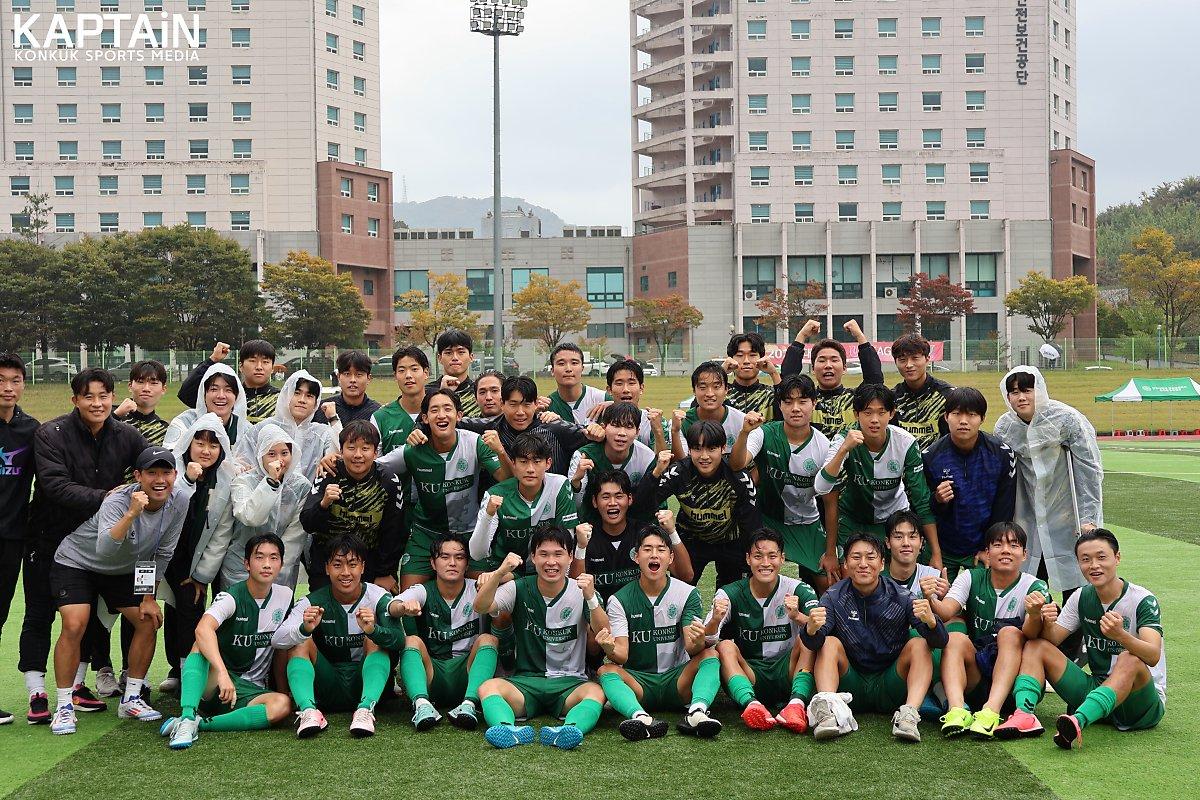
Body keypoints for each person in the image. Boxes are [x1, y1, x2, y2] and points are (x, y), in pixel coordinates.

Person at [19, 368, 149, 724]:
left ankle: (76, 686)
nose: (97, 403)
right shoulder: (51, 433)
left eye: (104, 395)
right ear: (74, 399)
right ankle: (36, 691)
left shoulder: (126, 434)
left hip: (96, 545)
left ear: (113, 396)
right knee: (40, 614)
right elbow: (55, 485)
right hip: (48, 538)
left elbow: (153, 464)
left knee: (87, 617)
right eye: (88, 396)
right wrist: (110, 498)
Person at [47, 446, 196, 734]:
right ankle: (64, 706)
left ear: (176, 475)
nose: (159, 479)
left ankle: (131, 698)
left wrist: (149, 597)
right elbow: (105, 547)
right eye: (151, 473)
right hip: (78, 562)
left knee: (147, 620)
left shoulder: (180, 500)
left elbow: (162, 552)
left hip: (125, 569)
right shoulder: (118, 501)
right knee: (75, 624)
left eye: (166, 472)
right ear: (138, 476)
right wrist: (131, 513)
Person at [996, 529, 1166, 749]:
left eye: (1101, 557)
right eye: (1085, 560)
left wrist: (1120, 635)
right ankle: (1024, 714)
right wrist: (1042, 618)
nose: (1094, 565)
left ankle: (1078, 721)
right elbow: (1053, 639)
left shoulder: (1143, 600)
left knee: (1129, 659)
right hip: (1097, 689)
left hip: (1139, 704)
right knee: (1037, 645)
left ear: (1117, 558)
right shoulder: (1081, 596)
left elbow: (1152, 655)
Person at [802, 533, 948, 742]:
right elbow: (814, 643)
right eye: (856, 557)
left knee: (919, 644)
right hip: (850, 683)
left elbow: (940, 642)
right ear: (845, 563)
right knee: (829, 643)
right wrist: (811, 629)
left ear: (882, 564)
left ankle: (908, 715)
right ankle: (829, 711)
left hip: (890, 682)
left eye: (870, 557)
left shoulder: (902, 596)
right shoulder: (833, 596)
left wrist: (931, 622)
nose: (863, 564)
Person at [472, 529, 609, 751]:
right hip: (527, 682)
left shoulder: (582, 590)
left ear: (570, 557)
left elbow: (604, 631)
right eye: (543, 554)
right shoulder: (519, 587)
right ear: (533, 557)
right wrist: (499, 573)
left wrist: (591, 598)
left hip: (570, 682)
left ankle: (569, 730)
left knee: (596, 692)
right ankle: (508, 729)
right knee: (488, 687)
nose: (551, 562)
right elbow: (481, 606)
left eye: (558, 554)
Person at [157, 533, 294, 749]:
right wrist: (222, 673)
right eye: (259, 557)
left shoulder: (285, 595)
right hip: (216, 685)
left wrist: (284, 688)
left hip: (250, 692)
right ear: (247, 564)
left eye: (273, 558)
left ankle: (200, 724)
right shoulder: (230, 597)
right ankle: (186, 715)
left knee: (282, 706)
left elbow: (281, 646)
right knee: (200, 644)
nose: (267, 564)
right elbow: (203, 628)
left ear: (281, 564)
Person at [596, 527, 723, 741]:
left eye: (661, 549)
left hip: (677, 680)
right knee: (606, 670)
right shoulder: (619, 599)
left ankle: (696, 713)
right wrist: (609, 648)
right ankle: (640, 717)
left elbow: (692, 648)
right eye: (647, 549)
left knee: (711, 655)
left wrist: (702, 637)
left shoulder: (687, 593)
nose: (654, 554)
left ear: (670, 557)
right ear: (636, 556)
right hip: (640, 683)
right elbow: (622, 656)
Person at [272, 535, 403, 739]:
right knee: (299, 641)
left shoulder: (378, 596)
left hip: (365, 682)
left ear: (363, 567)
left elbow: (400, 640)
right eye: (337, 565)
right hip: (328, 684)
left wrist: (373, 630)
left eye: (352, 565)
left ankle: (365, 710)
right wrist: (304, 628)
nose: (345, 573)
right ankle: (308, 710)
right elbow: (277, 640)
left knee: (374, 639)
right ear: (327, 568)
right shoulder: (312, 601)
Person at [376, 389, 508, 589]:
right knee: (408, 595)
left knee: (485, 589)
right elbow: (373, 468)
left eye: (448, 409)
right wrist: (336, 461)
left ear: (459, 415)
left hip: (469, 533)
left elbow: (506, 479)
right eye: (434, 410)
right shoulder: (414, 449)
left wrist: (501, 451)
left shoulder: (474, 443)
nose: (442, 415)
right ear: (425, 418)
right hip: (425, 533)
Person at [926, 522, 1047, 739]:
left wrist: (1035, 614)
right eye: (998, 544)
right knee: (954, 637)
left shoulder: (1035, 586)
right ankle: (957, 710)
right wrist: (931, 598)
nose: (1006, 550)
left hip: (1012, 683)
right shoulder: (971, 577)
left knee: (1010, 633)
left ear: (1024, 554)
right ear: (987, 552)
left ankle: (991, 712)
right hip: (976, 678)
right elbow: (946, 612)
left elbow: (1031, 634)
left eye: (1014, 545)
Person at [994, 366, 1103, 595]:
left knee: (1074, 578)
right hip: (1027, 513)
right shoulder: (1005, 426)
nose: (1021, 397)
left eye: (1027, 390)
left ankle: (1074, 629)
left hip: (1066, 514)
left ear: (1039, 389)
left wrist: (1088, 517)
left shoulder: (1066, 419)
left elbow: (1088, 470)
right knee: (1031, 579)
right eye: (1013, 392)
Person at [815, 383, 941, 569]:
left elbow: (921, 499)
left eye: (881, 412)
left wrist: (936, 553)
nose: (874, 420)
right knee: (849, 575)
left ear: (891, 413)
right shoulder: (844, 439)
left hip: (894, 517)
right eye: (867, 412)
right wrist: (843, 451)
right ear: (856, 414)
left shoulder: (905, 442)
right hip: (853, 518)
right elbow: (821, 487)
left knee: (899, 573)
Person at [705, 529, 819, 734]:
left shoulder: (799, 589)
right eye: (758, 556)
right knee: (724, 646)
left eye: (772, 556)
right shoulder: (729, 593)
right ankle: (752, 705)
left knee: (808, 639)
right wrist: (714, 620)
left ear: (782, 558)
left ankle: (796, 705)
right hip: (751, 674)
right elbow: (706, 640)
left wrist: (798, 617)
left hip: (788, 670)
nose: (765, 563)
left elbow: (820, 628)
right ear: (748, 559)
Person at [155, 413, 237, 696]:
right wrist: (189, 480)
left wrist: (202, 575)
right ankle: (142, 678)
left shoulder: (226, 480)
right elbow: (167, 505)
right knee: (149, 612)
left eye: (213, 445)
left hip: (195, 561)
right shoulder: (173, 471)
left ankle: (187, 673)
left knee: (190, 608)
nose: (205, 450)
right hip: (162, 556)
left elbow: (221, 533)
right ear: (188, 444)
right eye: (199, 442)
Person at [730, 374, 835, 591]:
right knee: (759, 575)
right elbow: (737, 464)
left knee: (829, 580)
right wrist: (744, 432)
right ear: (780, 405)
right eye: (788, 402)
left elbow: (831, 503)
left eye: (802, 401)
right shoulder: (764, 433)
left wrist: (831, 552)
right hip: (768, 520)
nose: (795, 408)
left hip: (806, 523)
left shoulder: (823, 446)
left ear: (813, 404)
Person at [386, 533, 499, 731]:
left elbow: (508, 594)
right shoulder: (423, 590)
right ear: (433, 562)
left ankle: (470, 705)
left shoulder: (479, 590)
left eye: (459, 557)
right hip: (433, 673)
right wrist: (403, 607)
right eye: (445, 557)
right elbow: (391, 606)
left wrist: (498, 575)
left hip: (468, 673)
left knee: (488, 639)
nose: (452, 563)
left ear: (467, 563)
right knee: (411, 641)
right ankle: (421, 705)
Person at [637, 422, 761, 588]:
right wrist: (655, 473)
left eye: (711, 449)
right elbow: (643, 504)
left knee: (735, 593)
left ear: (723, 448)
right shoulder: (679, 472)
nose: (704, 456)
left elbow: (752, 522)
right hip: (691, 539)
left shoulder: (738, 477)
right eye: (697, 449)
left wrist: (752, 557)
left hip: (731, 540)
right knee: (680, 587)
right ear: (689, 450)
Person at [922, 387, 1017, 580]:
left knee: (986, 605)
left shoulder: (1002, 454)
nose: (963, 421)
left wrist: (990, 548)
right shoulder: (930, 456)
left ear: (982, 418)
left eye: (971, 414)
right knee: (937, 604)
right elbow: (924, 509)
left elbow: (1003, 508)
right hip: (943, 549)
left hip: (983, 549)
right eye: (956, 414)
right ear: (946, 417)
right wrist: (938, 499)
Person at [301, 421, 405, 592]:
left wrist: (385, 572)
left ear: (375, 452)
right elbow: (307, 523)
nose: (358, 455)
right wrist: (323, 504)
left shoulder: (389, 481)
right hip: (328, 562)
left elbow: (395, 532)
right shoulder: (329, 474)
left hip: (370, 563)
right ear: (341, 451)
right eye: (351, 448)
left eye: (365, 448)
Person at [572, 471, 692, 601]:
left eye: (619, 496)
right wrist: (581, 547)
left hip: (640, 614)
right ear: (595, 501)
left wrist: (672, 532)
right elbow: (574, 589)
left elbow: (685, 575)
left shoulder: (646, 534)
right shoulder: (585, 537)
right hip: (598, 615)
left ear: (629, 499)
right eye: (605, 497)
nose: (612, 502)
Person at [217, 426, 311, 589]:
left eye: (284, 453)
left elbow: (295, 536)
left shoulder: (301, 486)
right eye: (271, 454)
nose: (279, 459)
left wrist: (275, 566)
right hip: (239, 568)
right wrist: (270, 483)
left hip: (280, 571)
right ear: (260, 455)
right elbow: (251, 517)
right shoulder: (243, 481)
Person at [469, 433, 578, 571]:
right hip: (505, 569)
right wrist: (488, 515)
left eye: (537, 461)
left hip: (545, 569)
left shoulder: (560, 485)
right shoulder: (495, 493)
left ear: (548, 463)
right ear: (513, 463)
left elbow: (566, 544)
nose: (530, 469)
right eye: (523, 462)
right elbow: (477, 554)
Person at [459, 376, 601, 480]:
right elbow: (452, 423)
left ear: (536, 404)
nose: (520, 412)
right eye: (513, 404)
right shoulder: (489, 428)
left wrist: (597, 430)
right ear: (502, 404)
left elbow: (591, 435)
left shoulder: (554, 427)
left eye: (526, 404)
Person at [0, 353, 37, 726]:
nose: (8, 388)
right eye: (0, 380)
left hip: (12, 538)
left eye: (15, 380)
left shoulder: (30, 430)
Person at [779, 318, 884, 438]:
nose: (828, 365)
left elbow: (875, 380)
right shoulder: (806, 401)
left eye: (834, 360)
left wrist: (860, 337)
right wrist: (802, 335)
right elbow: (787, 380)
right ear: (813, 368)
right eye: (822, 360)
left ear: (844, 368)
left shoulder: (856, 399)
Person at [236, 370, 336, 483]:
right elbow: (241, 462)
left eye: (309, 395)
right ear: (286, 395)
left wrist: (333, 418)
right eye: (297, 393)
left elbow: (339, 453)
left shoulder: (321, 433)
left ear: (315, 403)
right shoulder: (263, 428)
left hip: (310, 499)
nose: (302, 400)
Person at [568, 402, 657, 525]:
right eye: (615, 425)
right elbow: (576, 506)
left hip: (634, 525)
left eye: (629, 426)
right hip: (593, 525)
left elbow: (651, 503)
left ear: (637, 432)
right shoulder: (583, 456)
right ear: (604, 427)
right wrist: (576, 482)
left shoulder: (647, 457)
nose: (622, 433)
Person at [178, 341, 279, 425]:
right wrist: (212, 360)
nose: (259, 367)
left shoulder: (281, 399)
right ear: (241, 366)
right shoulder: (228, 396)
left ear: (272, 368)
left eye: (265, 362)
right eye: (252, 361)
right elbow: (186, 395)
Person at [891, 334, 954, 452]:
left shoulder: (947, 395)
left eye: (915, 358)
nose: (909, 365)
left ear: (927, 359)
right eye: (902, 360)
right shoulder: (892, 398)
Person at [163, 362, 248, 450]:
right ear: (203, 394)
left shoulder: (246, 430)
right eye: (214, 389)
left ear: (236, 396)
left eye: (228, 390)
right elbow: (169, 458)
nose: (221, 396)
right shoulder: (185, 422)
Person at [671, 362, 746, 459]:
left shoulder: (741, 421)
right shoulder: (683, 421)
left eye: (716, 387)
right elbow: (681, 465)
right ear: (694, 391)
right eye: (703, 387)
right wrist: (675, 432)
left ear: (726, 389)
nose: (710, 393)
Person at [375, 346, 430, 454]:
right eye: (401, 370)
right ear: (395, 375)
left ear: (426, 373)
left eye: (414, 369)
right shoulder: (380, 418)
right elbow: (375, 463)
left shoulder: (441, 414)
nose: (408, 375)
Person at [605, 359, 667, 452]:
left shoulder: (655, 421)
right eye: (619, 383)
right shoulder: (598, 418)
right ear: (609, 390)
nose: (625, 389)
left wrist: (658, 430)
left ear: (641, 388)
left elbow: (662, 460)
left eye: (631, 383)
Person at [881, 511, 943, 598]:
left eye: (912, 537)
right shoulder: (876, 578)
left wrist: (944, 597)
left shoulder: (934, 577)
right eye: (898, 537)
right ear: (888, 542)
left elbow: (953, 610)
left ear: (921, 542)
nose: (906, 543)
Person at [546, 343, 609, 426]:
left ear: (582, 368)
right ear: (552, 371)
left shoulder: (603, 399)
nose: (568, 369)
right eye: (561, 363)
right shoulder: (547, 406)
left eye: (574, 363)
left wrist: (615, 404)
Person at [312, 350, 381, 426]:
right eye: (347, 374)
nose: (352, 380)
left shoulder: (377, 413)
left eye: (359, 374)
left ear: (368, 378)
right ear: (338, 377)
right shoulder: (321, 410)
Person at [722, 332, 781, 419]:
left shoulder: (770, 394)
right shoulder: (722, 394)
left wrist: (774, 374)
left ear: (761, 358)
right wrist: (720, 372)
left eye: (752, 355)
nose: (746, 361)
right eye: (740, 355)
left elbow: (787, 410)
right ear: (731, 359)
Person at [112, 359, 170, 448]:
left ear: (163, 389)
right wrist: (116, 415)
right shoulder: (110, 415)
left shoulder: (164, 430)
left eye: (153, 383)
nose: (146, 388)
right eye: (140, 382)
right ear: (130, 386)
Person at [427, 329, 481, 417]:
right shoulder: (427, 392)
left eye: (461, 352)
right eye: (448, 353)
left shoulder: (479, 392)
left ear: (471, 357)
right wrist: (443, 392)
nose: (455, 357)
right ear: (439, 358)